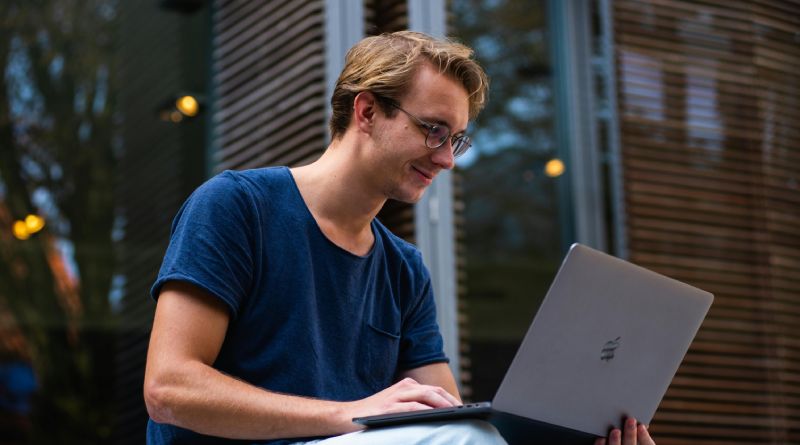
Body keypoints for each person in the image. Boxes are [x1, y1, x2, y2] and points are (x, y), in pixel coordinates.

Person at [143, 31, 656, 445]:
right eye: (433, 130)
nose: (447, 159)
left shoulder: (403, 269)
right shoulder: (237, 205)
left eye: (456, 139)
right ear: (367, 112)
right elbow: (169, 389)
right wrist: (351, 415)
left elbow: (445, 414)